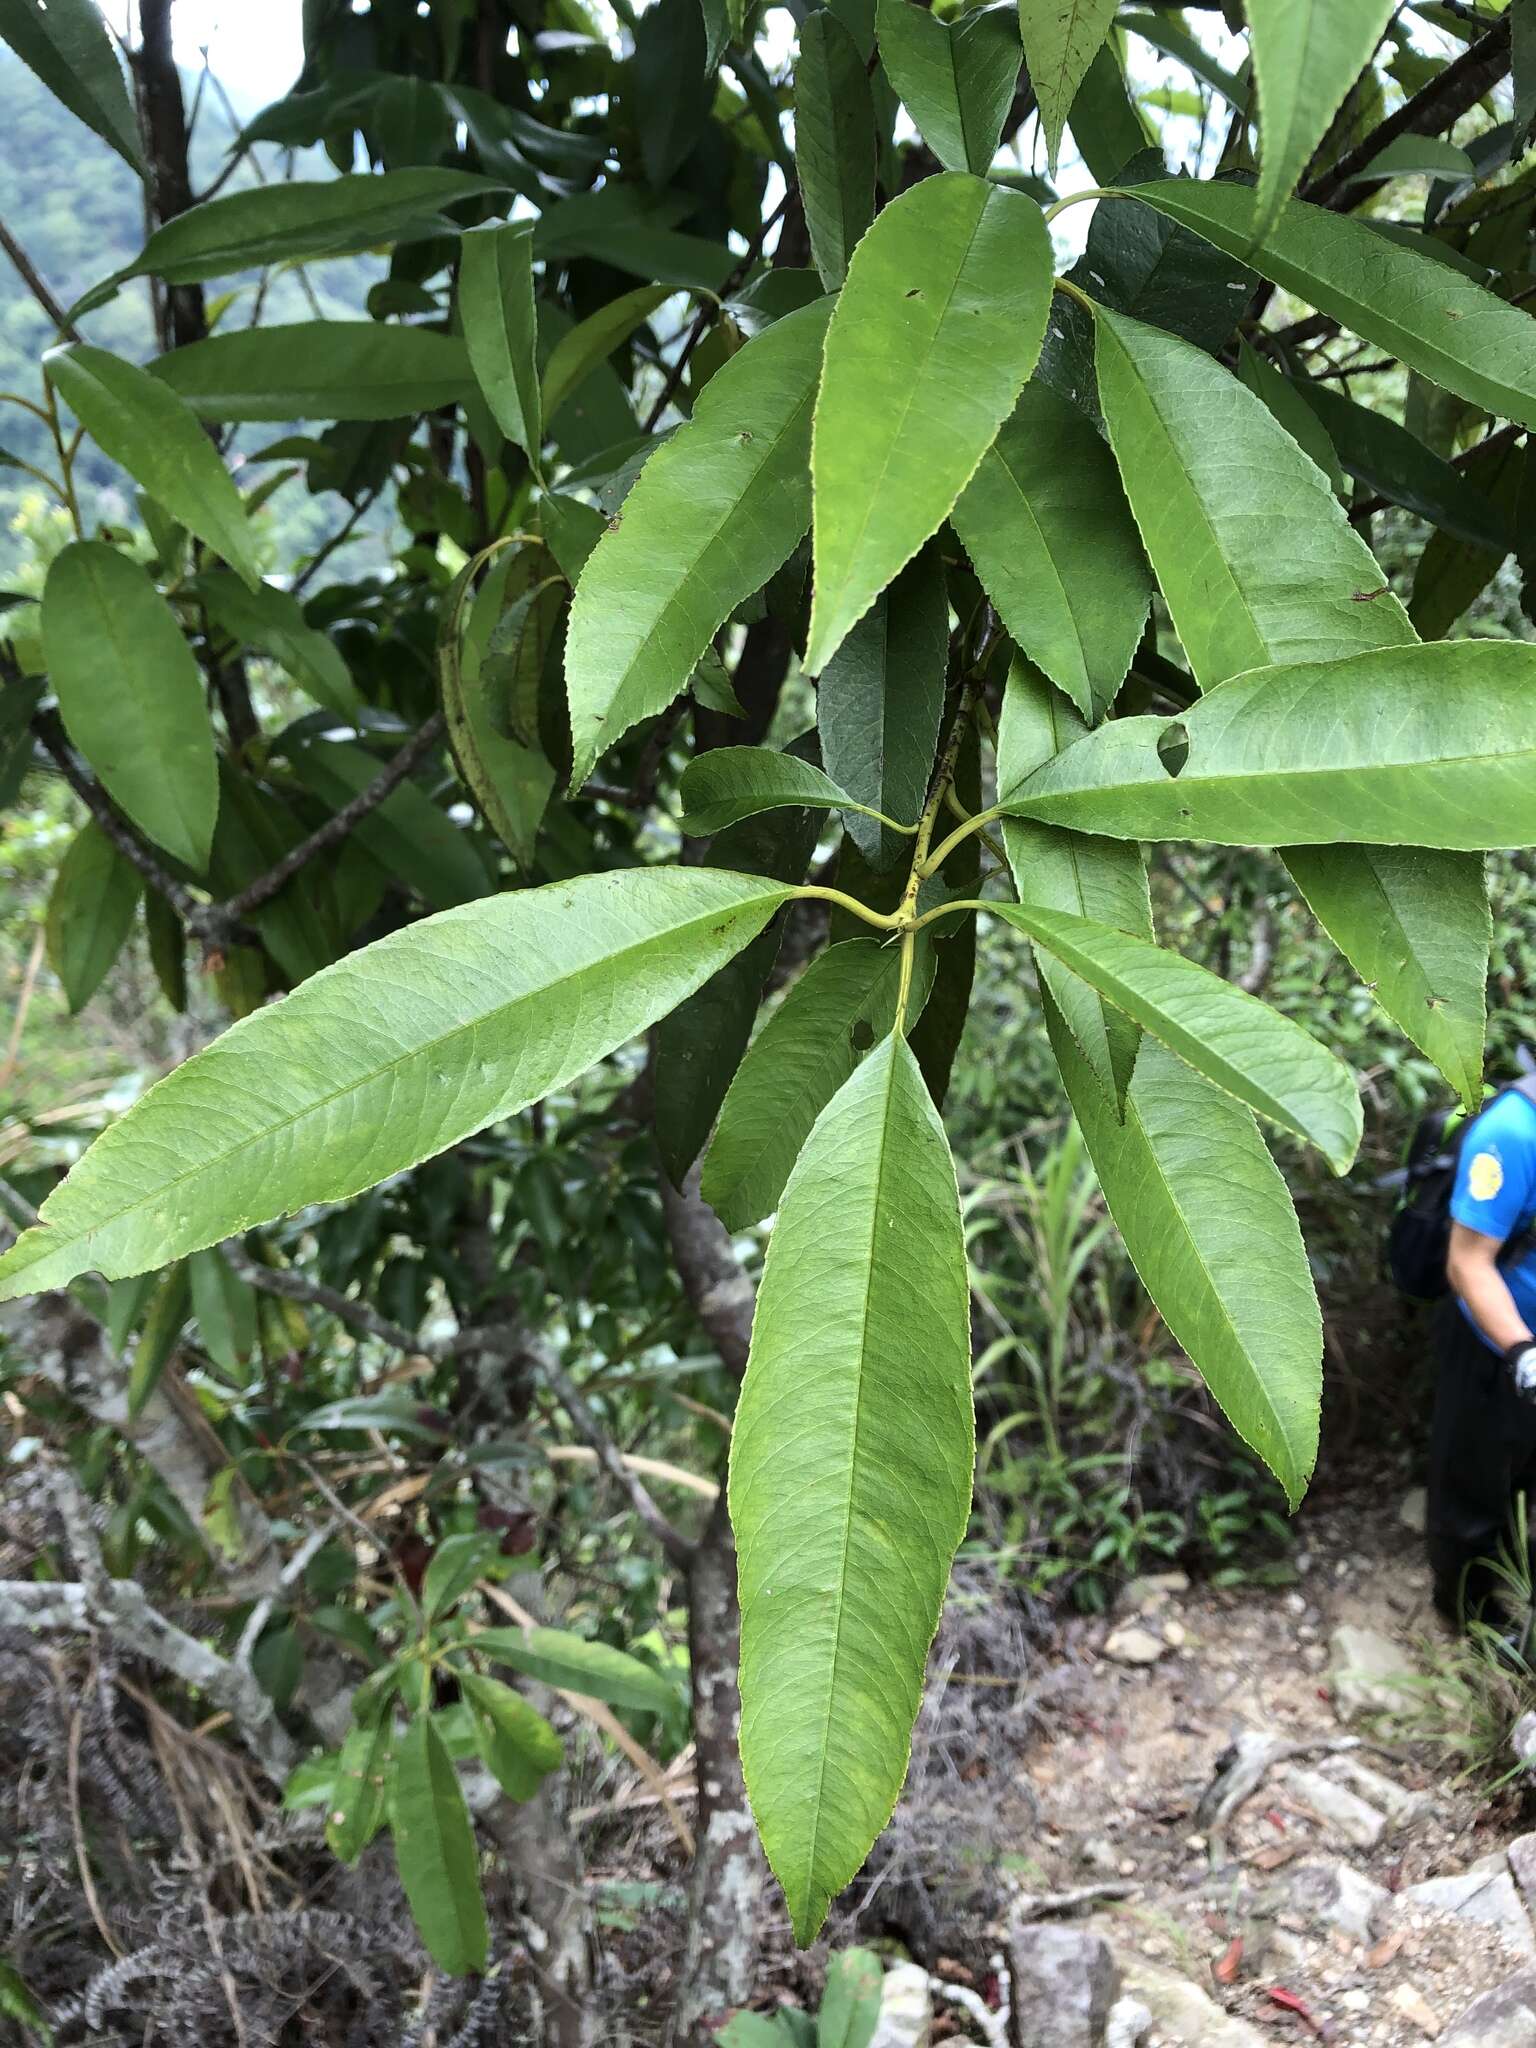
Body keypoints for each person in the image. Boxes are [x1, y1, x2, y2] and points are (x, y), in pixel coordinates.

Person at [1427, 1083, 1536, 1623]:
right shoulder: (1512, 1135)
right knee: (1473, 1485)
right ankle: (1467, 1611)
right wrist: (1521, 1352)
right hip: (1494, 1347)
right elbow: (1468, 1261)